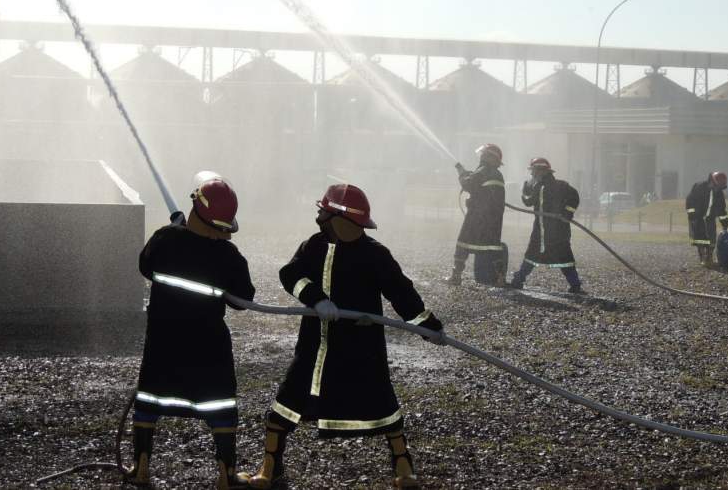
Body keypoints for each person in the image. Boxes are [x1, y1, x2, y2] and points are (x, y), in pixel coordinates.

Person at [244, 184, 445, 490]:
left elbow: (402, 293)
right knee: (288, 401)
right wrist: (314, 298)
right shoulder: (313, 245)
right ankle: (270, 468)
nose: (319, 216)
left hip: (360, 347)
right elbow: (290, 275)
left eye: (323, 211)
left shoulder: (375, 255)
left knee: (381, 403)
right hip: (316, 346)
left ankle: (404, 468)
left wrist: (428, 326)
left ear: (339, 217)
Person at [128, 173, 255, 489]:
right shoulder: (228, 256)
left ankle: (141, 464)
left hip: (163, 341)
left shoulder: (165, 239)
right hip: (208, 346)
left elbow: (145, 265)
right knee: (220, 404)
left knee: (150, 398)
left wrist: (176, 228)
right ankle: (226, 473)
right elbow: (244, 299)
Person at [508, 158, 584, 294]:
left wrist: (568, 213)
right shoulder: (538, 186)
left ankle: (575, 284)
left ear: (541, 171)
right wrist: (525, 190)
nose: (532, 175)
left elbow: (574, 197)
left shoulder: (561, 186)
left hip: (557, 231)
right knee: (533, 255)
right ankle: (518, 279)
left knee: (564, 257)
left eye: (534, 172)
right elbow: (529, 202)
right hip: (542, 231)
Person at [445, 143, 507, 287]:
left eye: (483, 154)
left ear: (489, 157)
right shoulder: (496, 173)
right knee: (493, 247)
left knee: (463, 244)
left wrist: (461, 173)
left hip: (477, 218)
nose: (481, 157)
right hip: (493, 220)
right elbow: (481, 190)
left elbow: (468, 185)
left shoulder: (484, 170)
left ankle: (456, 277)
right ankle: (500, 279)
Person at [685, 171, 728, 267]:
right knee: (700, 239)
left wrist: (725, 223)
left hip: (710, 218)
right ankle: (703, 258)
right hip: (697, 217)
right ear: (712, 182)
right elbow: (690, 199)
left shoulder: (719, 193)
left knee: (712, 239)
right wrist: (692, 214)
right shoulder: (699, 186)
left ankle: (709, 258)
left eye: (721, 187)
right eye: (718, 186)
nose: (719, 189)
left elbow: (722, 209)